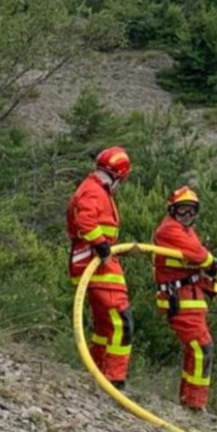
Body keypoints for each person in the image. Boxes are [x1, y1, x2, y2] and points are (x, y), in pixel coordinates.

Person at [65, 146, 133, 390]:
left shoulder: (96, 188)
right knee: (120, 321)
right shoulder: (94, 191)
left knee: (106, 324)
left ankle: (98, 369)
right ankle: (113, 377)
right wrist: (102, 245)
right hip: (97, 265)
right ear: (120, 175)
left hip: (97, 264)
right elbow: (86, 220)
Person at [153, 186, 217, 411]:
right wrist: (212, 264)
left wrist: (212, 275)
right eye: (182, 210)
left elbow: (196, 259)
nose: (187, 216)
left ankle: (190, 401)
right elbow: (197, 254)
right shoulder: (169, 230)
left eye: (191, 211)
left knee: (198, 350)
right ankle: (194, 405)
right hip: (179, 299)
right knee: (201, 349)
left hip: (191, 298)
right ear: (172, 210)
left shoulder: (185, 231)